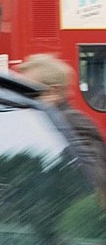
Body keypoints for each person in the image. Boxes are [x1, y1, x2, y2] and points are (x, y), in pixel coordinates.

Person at [17, 53, 106, 198]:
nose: (20, 99)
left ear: (53, 92)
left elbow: (96, 182)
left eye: (27, 92)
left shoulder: (72, 123)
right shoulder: (44, 122)